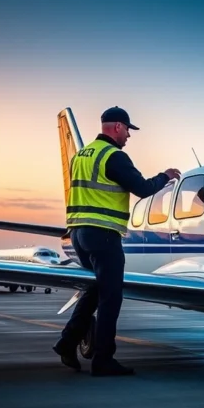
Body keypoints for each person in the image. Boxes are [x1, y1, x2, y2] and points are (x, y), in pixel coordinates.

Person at [53, 106, 180, 376]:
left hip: (78, 234)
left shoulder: (83, 155)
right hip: (103, 235)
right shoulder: (113, 156)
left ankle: (67, 343)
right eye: (128, 130)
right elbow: (143, 188)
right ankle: (103, 360)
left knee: (96, 289)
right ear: (118, 127)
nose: (128, 136)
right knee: (111, 298)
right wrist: (166, 176)